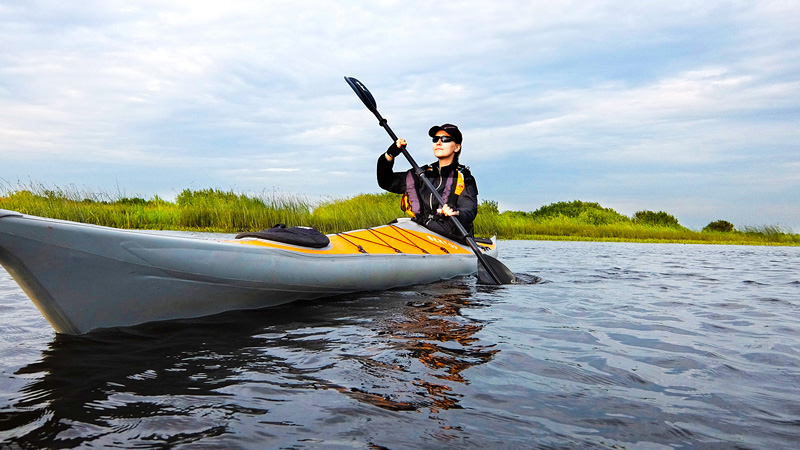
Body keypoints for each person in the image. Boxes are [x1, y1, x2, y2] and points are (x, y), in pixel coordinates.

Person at [377, 123, 478, 241]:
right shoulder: (422, 174)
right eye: (435, 139)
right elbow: (385, 181)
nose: (438, 143)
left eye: (445, 139)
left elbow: (469, 209)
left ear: (457, 147)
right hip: (421, 230)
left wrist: (456, 212)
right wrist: (390, 154)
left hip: (452, 235)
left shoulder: (463, 177)